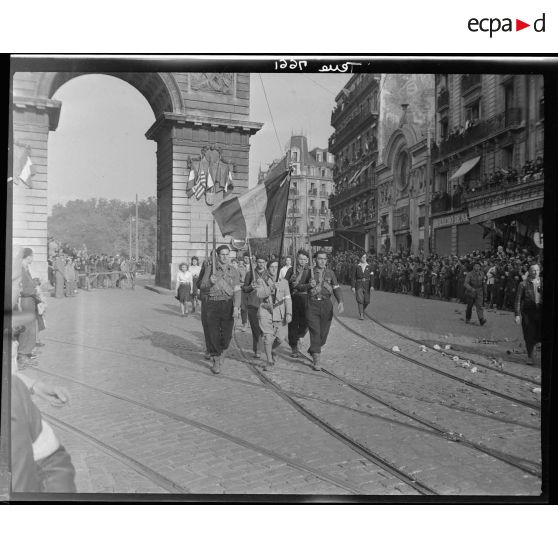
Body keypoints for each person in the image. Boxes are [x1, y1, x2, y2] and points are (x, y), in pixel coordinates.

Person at [296, 250, 344, 370]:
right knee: (315, 332)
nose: (322, 261)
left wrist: (341, 301)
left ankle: (314, 349)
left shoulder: (330, 273)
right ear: (315, 260)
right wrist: (308, 285)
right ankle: (317, 359)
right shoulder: (308, 272)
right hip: (312, 304)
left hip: (326, 305)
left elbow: (336, 288)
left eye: (324, 259)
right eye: (320, 259)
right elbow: (298, 286)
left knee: (323, 334)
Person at [200, 245, 242, 374]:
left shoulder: (233, 271)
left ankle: (222, 351)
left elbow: (237, 291)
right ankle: (216, 360)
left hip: (228, 304)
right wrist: (209, 283)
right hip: (212, 304)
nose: (225, 257)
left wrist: (236, 307)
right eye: (222, 254)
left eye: (226, 254)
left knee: (227, 335)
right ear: (217, 255)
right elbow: (202, 286)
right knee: (213, 334)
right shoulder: (210, 269)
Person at [255, 259, 292, 370]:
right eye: (271, 267)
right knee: (267, 337)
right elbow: (259, 294)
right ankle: (269, 361)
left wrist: (289, 313)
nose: (274, 269)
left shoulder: (284, 282)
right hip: (265, 311)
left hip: (279, 311)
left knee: (281, 338)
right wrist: (271, 288)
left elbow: (288, 299)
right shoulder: (261, 280)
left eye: (276, 267)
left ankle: (271, 349)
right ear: (267, 267)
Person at [515, 264, 542, 365]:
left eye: (537, 270)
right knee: (529, 335)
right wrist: (517, 314)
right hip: (528, 313)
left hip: (540, 311)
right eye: (533, 270)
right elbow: (517, 300)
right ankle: (530, 356)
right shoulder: (523, 284)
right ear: (529, 272)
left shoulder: (543, 282)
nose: (535, 272)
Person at [241, 255, 267, 360]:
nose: (260, 264)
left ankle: (267, 347)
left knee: (264, 329)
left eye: (262, 262)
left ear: (265, 262)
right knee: (256, 329)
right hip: (253, 304)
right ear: (256, 263)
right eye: (259, 262)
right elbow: (244, 288)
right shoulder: (250, 273)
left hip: (265, 304)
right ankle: (257, 350)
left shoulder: (268, 273)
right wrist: (251, 286)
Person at [285, 250, 311, 358]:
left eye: (305, 259)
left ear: (308, 260)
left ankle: (300, 336)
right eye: (301, 259)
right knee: (293, 324)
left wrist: (302, 286)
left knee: (306, 322)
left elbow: (311, 285)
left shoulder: (310, 271)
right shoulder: (291, 270)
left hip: (305, 299)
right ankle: (294, 347)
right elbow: (284, 284)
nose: (303, 261)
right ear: (297, 259)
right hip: (293, 299)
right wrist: (290, 281)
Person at [17, 248, 39, 369]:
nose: (33, 258)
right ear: (28, 256)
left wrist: (34, 284)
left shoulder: (26, 269)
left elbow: (28, 284)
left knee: (31, 327)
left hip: (30, 300)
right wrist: (34, 290)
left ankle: (27, 351)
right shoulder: (21, 270)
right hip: (26, 300)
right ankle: (22, 355)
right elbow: (22, 289)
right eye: (32, 256)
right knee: (27, 328)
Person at [351, 252, 374, 319]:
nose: (364, 258)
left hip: (367, 285)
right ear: (360, 258)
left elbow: (372, 276)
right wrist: (353, 286)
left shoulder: (370, 266)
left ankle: (362, 310)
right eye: (363, 257)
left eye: (365, 257)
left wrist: (372, 285)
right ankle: (361, 314)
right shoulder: (356, 266)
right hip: (359, 284)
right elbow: (353, 277)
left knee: (366, 301)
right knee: (360, 300)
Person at [464, 261, 487, 326]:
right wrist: (471, 288)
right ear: (473, 267)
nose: (477, 267)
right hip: (471, 291)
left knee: (479, 306)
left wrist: (485, 293)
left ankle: (481, 319)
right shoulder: (469, 274)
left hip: (480, 291)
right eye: (476, 266)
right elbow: (465, 283)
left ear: (480, 267)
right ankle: (468, 318)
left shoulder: (482, 274)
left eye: (478, 266)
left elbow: (484, 283)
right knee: (470, 306)